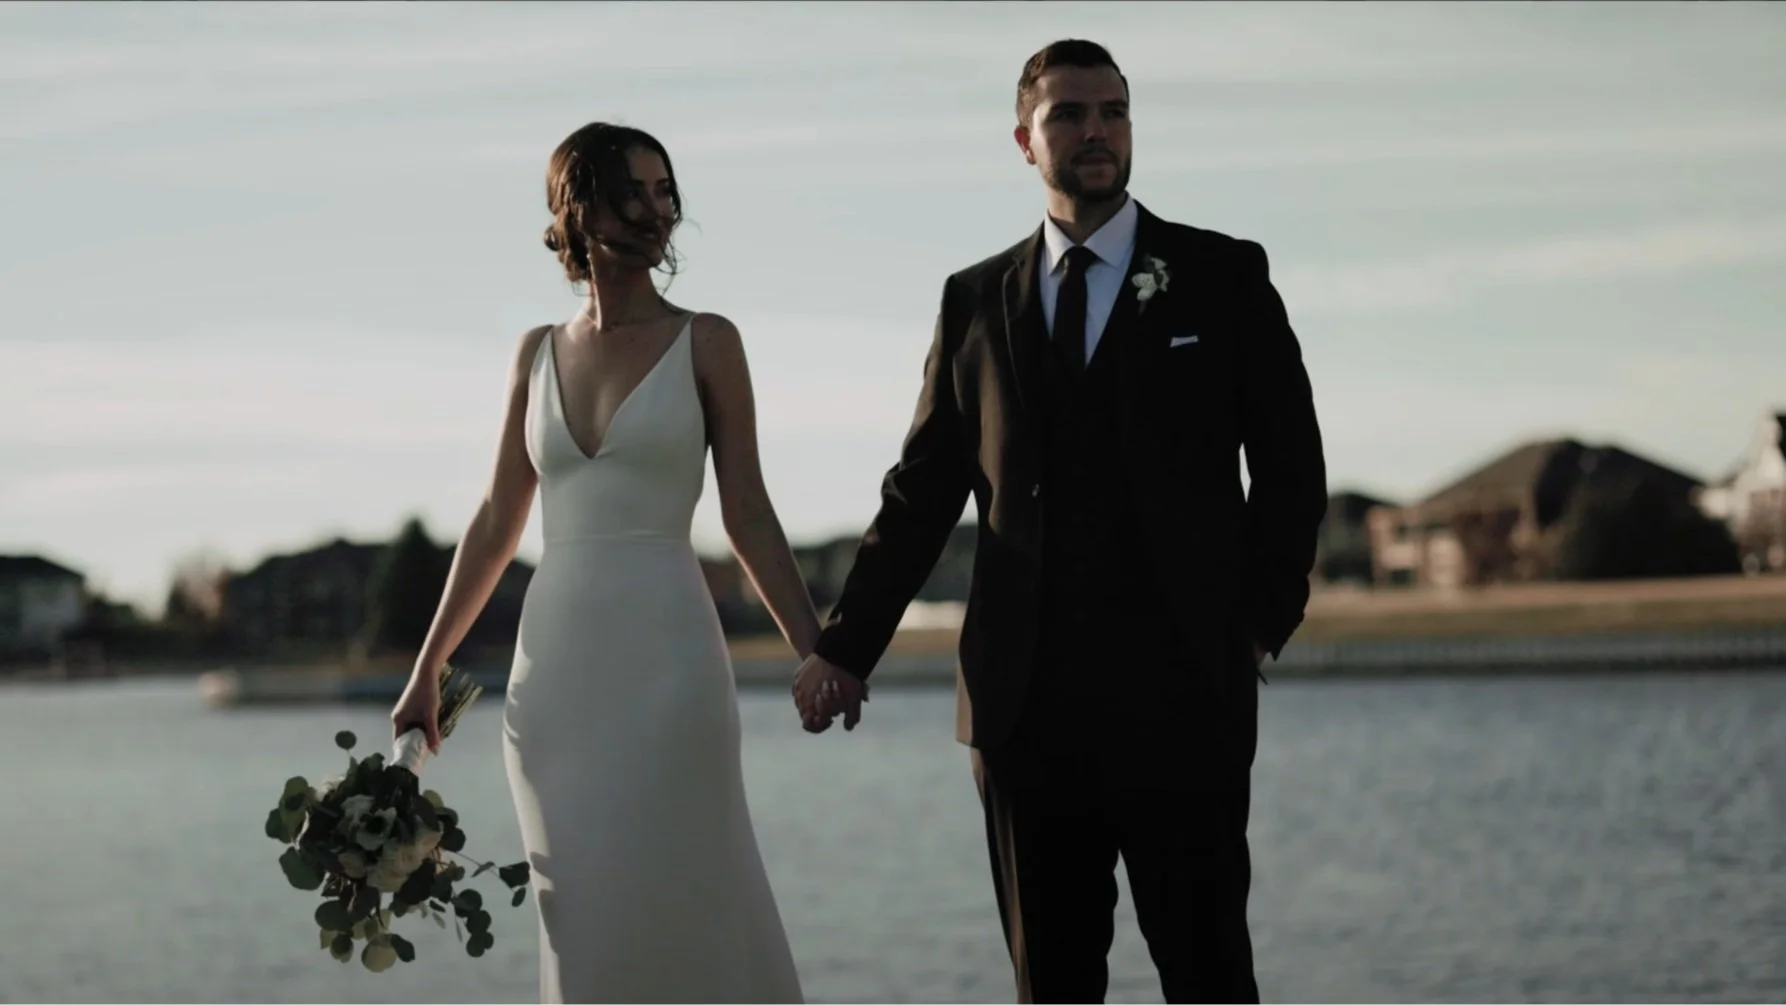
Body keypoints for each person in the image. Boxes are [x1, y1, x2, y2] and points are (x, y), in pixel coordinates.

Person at [791, 39, 1328, 1004]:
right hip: (1022, 707)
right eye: (1070, 114)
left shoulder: (1222, 276)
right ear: (1023, 139)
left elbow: (1292, 473)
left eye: (1113, 112)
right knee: (1052, 984)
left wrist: (1251, 629)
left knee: (1209, 974)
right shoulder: (973, 301)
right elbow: (922, 493)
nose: (1097, 132)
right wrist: (845, 646)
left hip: (1185, 699)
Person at [390, 122, 811, 1004]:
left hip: (671, 664)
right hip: (553, 679)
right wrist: (428, 668)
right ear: (578, 209)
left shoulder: (709, 341)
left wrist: (817, 652)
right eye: (635, 191)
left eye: (667, 192)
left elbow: (750, 512)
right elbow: (499, 518)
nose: (658, 212)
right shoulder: (535, 351)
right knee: (579, 913)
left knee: (690, 890)